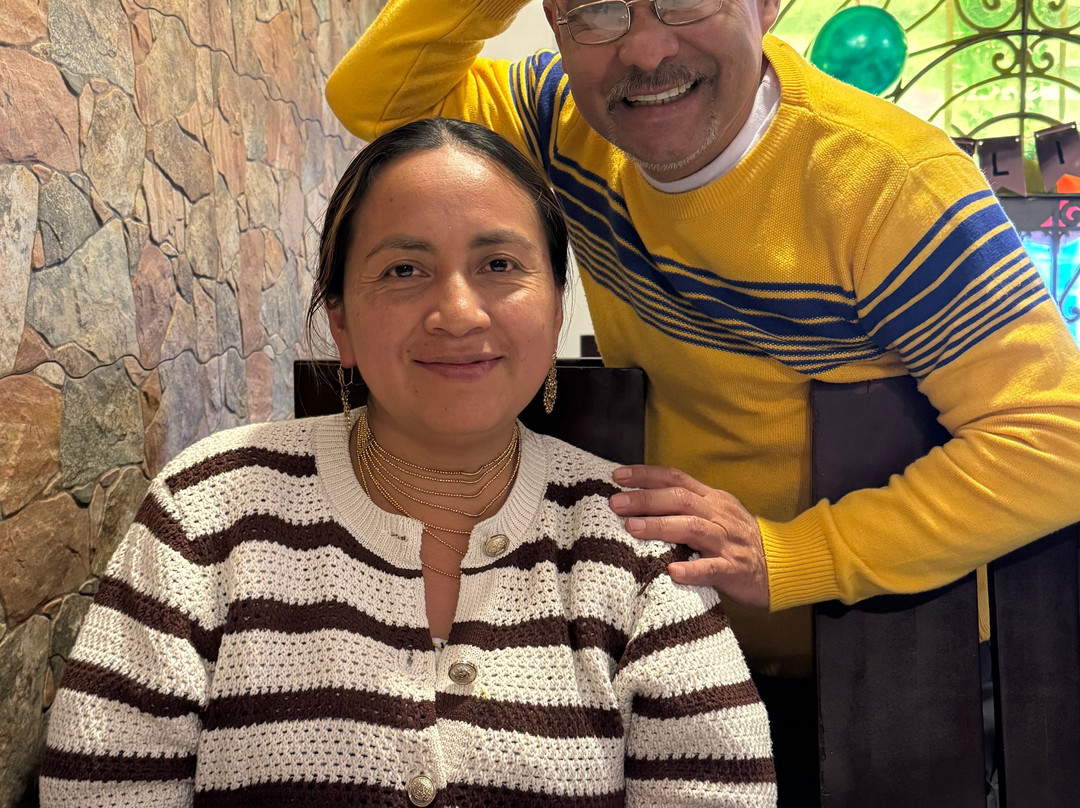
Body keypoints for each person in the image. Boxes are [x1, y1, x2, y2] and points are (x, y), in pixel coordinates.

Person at [324, 0, 1080, 800]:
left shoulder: (888, 183)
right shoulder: (561, 119)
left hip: (891, 669)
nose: (646, 50)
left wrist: (792, 556)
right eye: (599, 9)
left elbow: (1059, 438)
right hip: (660, 650)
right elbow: (375, 102)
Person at [38, 118, 776, 807]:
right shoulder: (206, 510)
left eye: (498, 264)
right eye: (402, 270)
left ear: (556, 309)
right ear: (340, 321)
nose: (457, 312)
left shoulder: (636, 545)